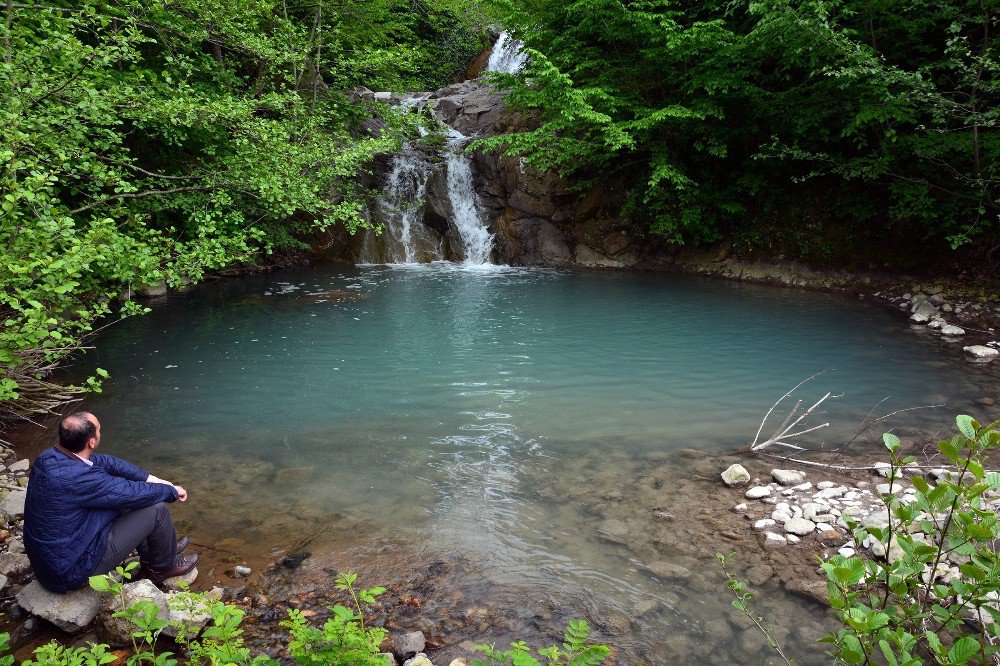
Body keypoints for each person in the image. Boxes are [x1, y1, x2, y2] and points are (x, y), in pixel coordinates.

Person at [23, 412, 199, 593]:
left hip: (57, 558)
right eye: (99, 430)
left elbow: (108, 462)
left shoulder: (49, 457)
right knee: (157, 508)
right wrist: (171, 491)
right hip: (71, 571)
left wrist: (154, 479)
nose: (101, 433)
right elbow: (131, 492)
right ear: (91, 442)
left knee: (125, 499)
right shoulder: (78, 477)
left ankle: (159, 549)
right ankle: (161, 567)